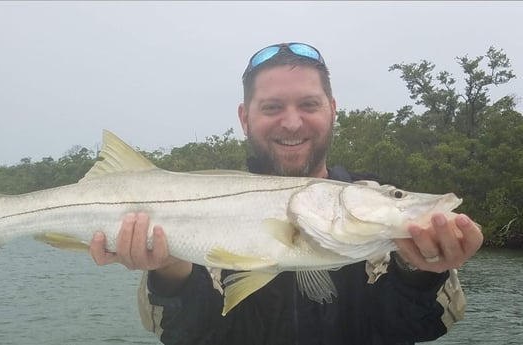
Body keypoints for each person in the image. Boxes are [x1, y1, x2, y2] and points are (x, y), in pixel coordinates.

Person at [89, 42, 484, 345]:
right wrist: (170, 272)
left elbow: (424, 327)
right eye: (272, 107)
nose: (292, 122)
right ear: (245, 118)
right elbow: (185, 336)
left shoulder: (382, 229)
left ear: (332, 109)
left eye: (309, 104)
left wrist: (419, 271)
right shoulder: (197, 203)